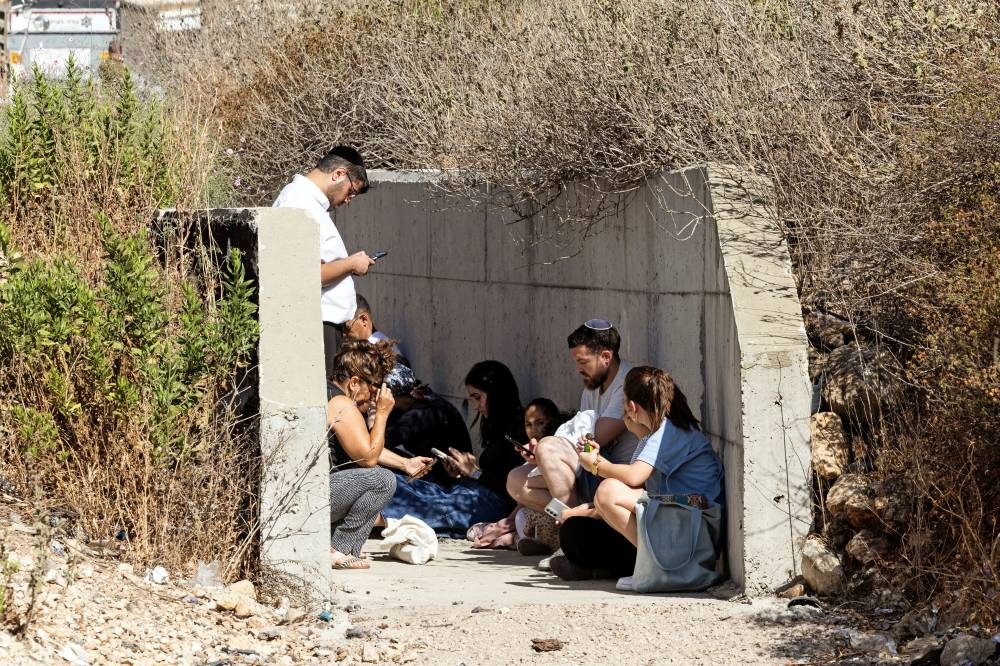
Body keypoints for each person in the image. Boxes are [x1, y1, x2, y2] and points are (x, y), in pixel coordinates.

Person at [551, 366, 724, 588]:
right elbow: (639, 494)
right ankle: (636, 565)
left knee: (607, 490)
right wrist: (581, 511)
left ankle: (660, 567)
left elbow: (633, 478)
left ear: (631, 406)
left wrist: (594, 464)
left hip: (695, 524)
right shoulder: (656, 432)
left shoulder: (667, 430)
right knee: (576, 528)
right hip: (677, 521)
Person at [506, 319, 639, 516]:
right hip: (590, 469)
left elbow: (593, 440)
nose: (578, 369)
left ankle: (573, 526)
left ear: (606, 356)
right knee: (516, 480)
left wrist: (547, 451)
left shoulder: (628, 383)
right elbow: (582, 444)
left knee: (548, 447)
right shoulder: (593, 385)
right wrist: (540, 456)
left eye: (583, 361)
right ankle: (575, 520)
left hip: (614, 476)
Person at [381, 360, 526, 536]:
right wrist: (464, 473)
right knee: (401, 485)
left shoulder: (518, 428)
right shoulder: (497, 426)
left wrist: (475, 473)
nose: (476, 406)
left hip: (492, 504)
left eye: (478, 397)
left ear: (494, 393)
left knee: (426, 506)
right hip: (473, 492)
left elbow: (513, 488)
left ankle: (372, 518)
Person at [272, 146, 372, 380]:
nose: (348, 200)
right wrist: (350, 264)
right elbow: (306, 274)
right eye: (351, 191)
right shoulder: (299, 201)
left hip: (323, 326)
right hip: (315, 325)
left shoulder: (309, 203)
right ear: (338, 174)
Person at [326, 339, 397, 570]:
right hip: (314, 498)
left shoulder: (329, 396)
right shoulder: (341, 402)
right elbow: (368, 458)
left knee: (377, 477)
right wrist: (383, 414)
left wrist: (405, 463)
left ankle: (343, 546)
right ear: (355, 382)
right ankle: (339, 549)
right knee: (383, 480)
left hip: (309, 494)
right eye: (373, 387)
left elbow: (361, 451)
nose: (374, 396)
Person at [380, 363, 473, 487]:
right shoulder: (424, 396)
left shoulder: (419, 414)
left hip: (449, 478)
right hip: (444, 471)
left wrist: (376, 412)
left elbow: (379, 442)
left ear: (392, 394)